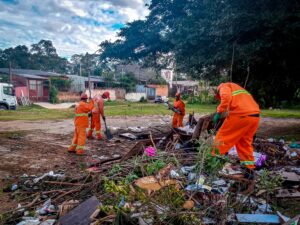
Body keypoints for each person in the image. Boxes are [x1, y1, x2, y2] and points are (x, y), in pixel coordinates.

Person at [213, 82, 260, 179]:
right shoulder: (238, 90)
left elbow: (226, 98)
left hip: (240, 115)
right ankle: (250, 170)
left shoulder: (223, 86)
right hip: (254, 116)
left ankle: (212, 163)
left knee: (222, 138)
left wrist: (219, 111)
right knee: (244, 143)